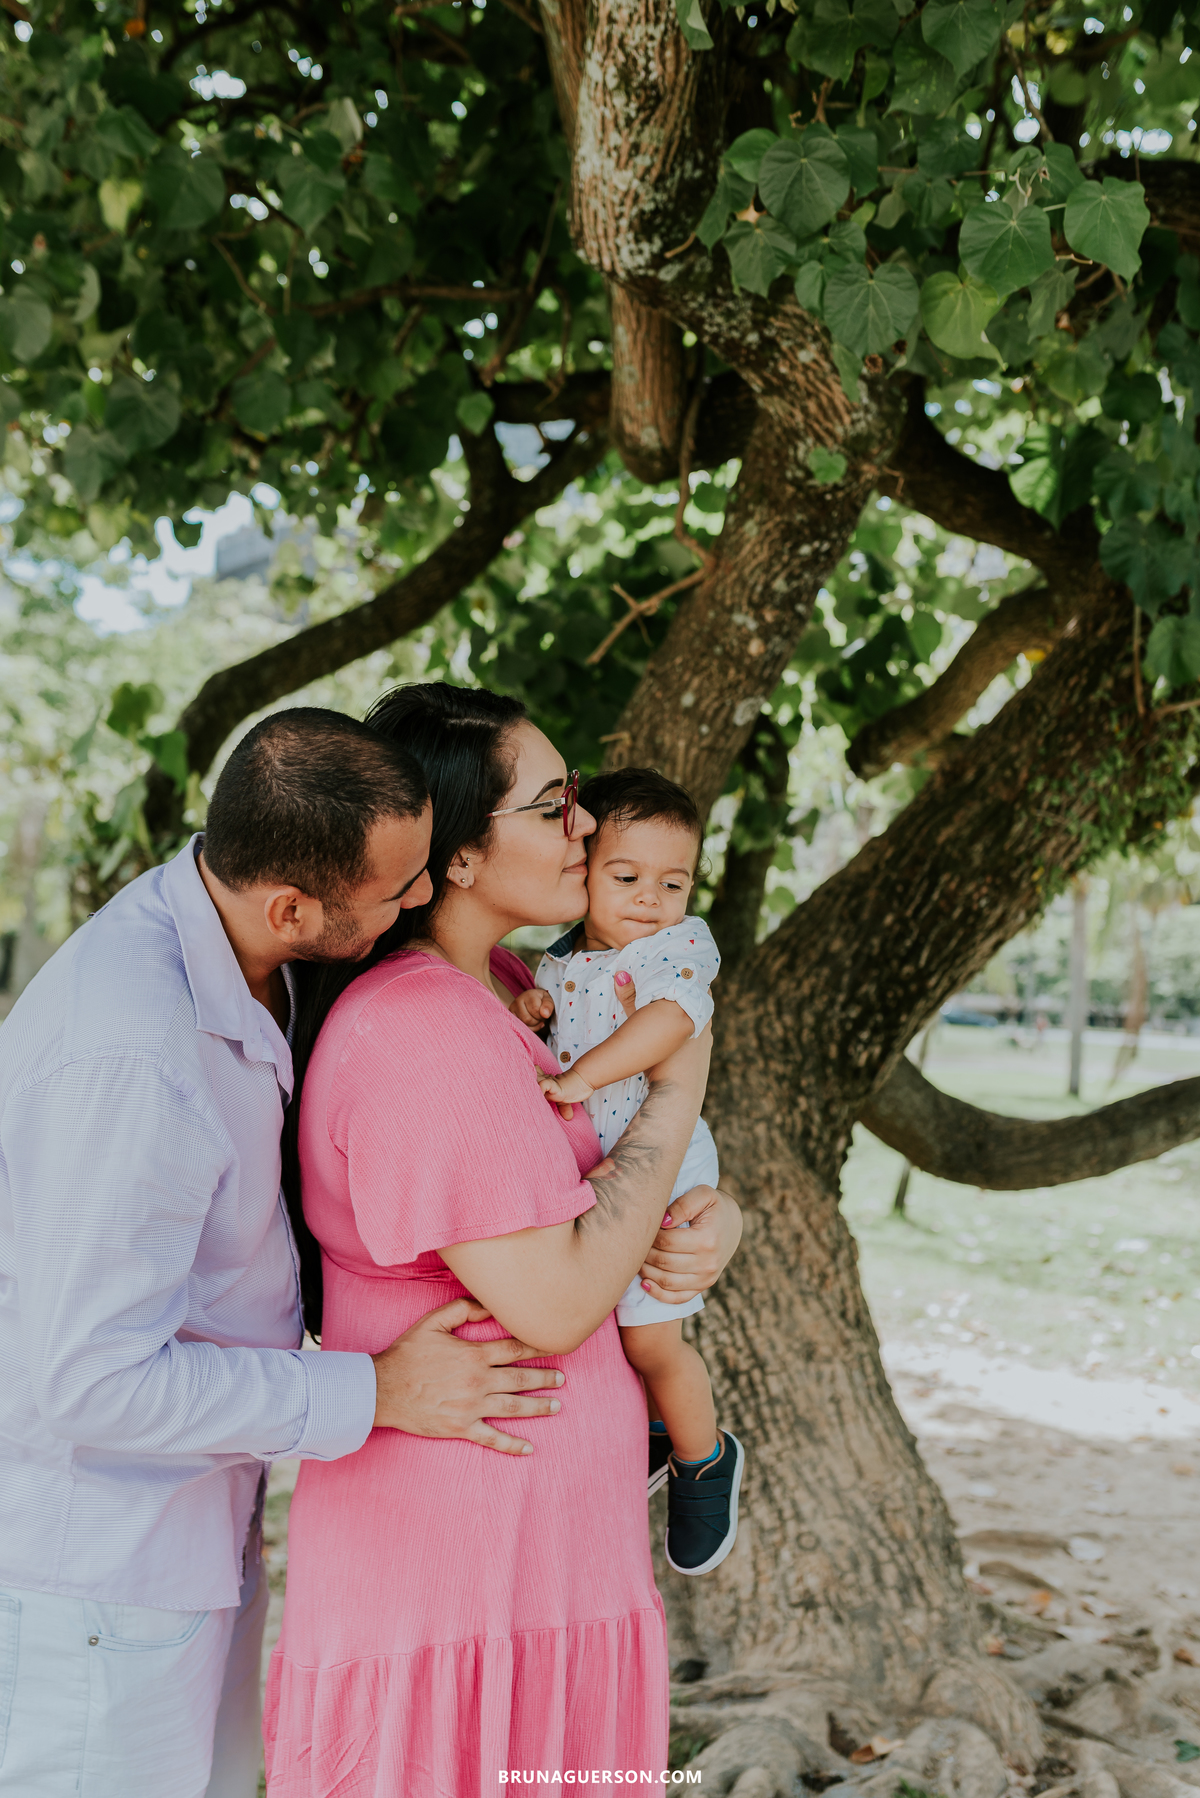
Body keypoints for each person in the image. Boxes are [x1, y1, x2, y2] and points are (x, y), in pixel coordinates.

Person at [0, 708, 573, 1798]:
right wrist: (375, 1389)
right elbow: (90, 1379)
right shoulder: (131, 1056)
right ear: (293, 907)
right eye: (398, 889)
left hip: (195, 1532)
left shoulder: (256, 952)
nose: (420, 899)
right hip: (94, 1575)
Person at [264, 685, 742, 1797]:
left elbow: (609, 1189)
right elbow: (562, 1299)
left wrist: (715, 1220)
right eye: (554, 805)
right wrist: (682, 1089)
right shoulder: (419, 1030)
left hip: (553, 1568)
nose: (588, 825)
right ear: (462, 854)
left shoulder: (520, 990)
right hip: (461, 1584)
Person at [517, 767, 741, 1579]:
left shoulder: (678, 949)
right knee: (607, 1322)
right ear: (587, 872)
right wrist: (532, 1010)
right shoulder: (561, 956)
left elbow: (669, 1023)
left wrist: (578, 1080)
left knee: (651, 1339)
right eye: (627, 877)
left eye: (672, 881)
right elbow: (552, 1011)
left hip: (665, 1159)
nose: (651, 898)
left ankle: (703, 1458)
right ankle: (656, 1431)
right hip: (607, 1169)